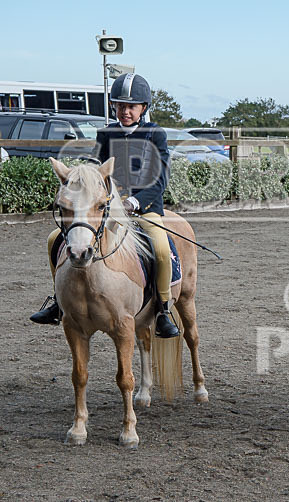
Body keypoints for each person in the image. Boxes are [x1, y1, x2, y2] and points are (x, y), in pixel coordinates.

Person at [31, 73, 180, 338]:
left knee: (159, 246)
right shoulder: (105, 133)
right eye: (120, 106)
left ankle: (162, 309)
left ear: (143, 108)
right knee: (56, 239)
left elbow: (160, 178)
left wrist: (136, 201)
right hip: (108, 211)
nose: (125, 111)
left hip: (145, 209)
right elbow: (96, 173)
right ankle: (58, 302)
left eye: (131, 106)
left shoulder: (155, 134)